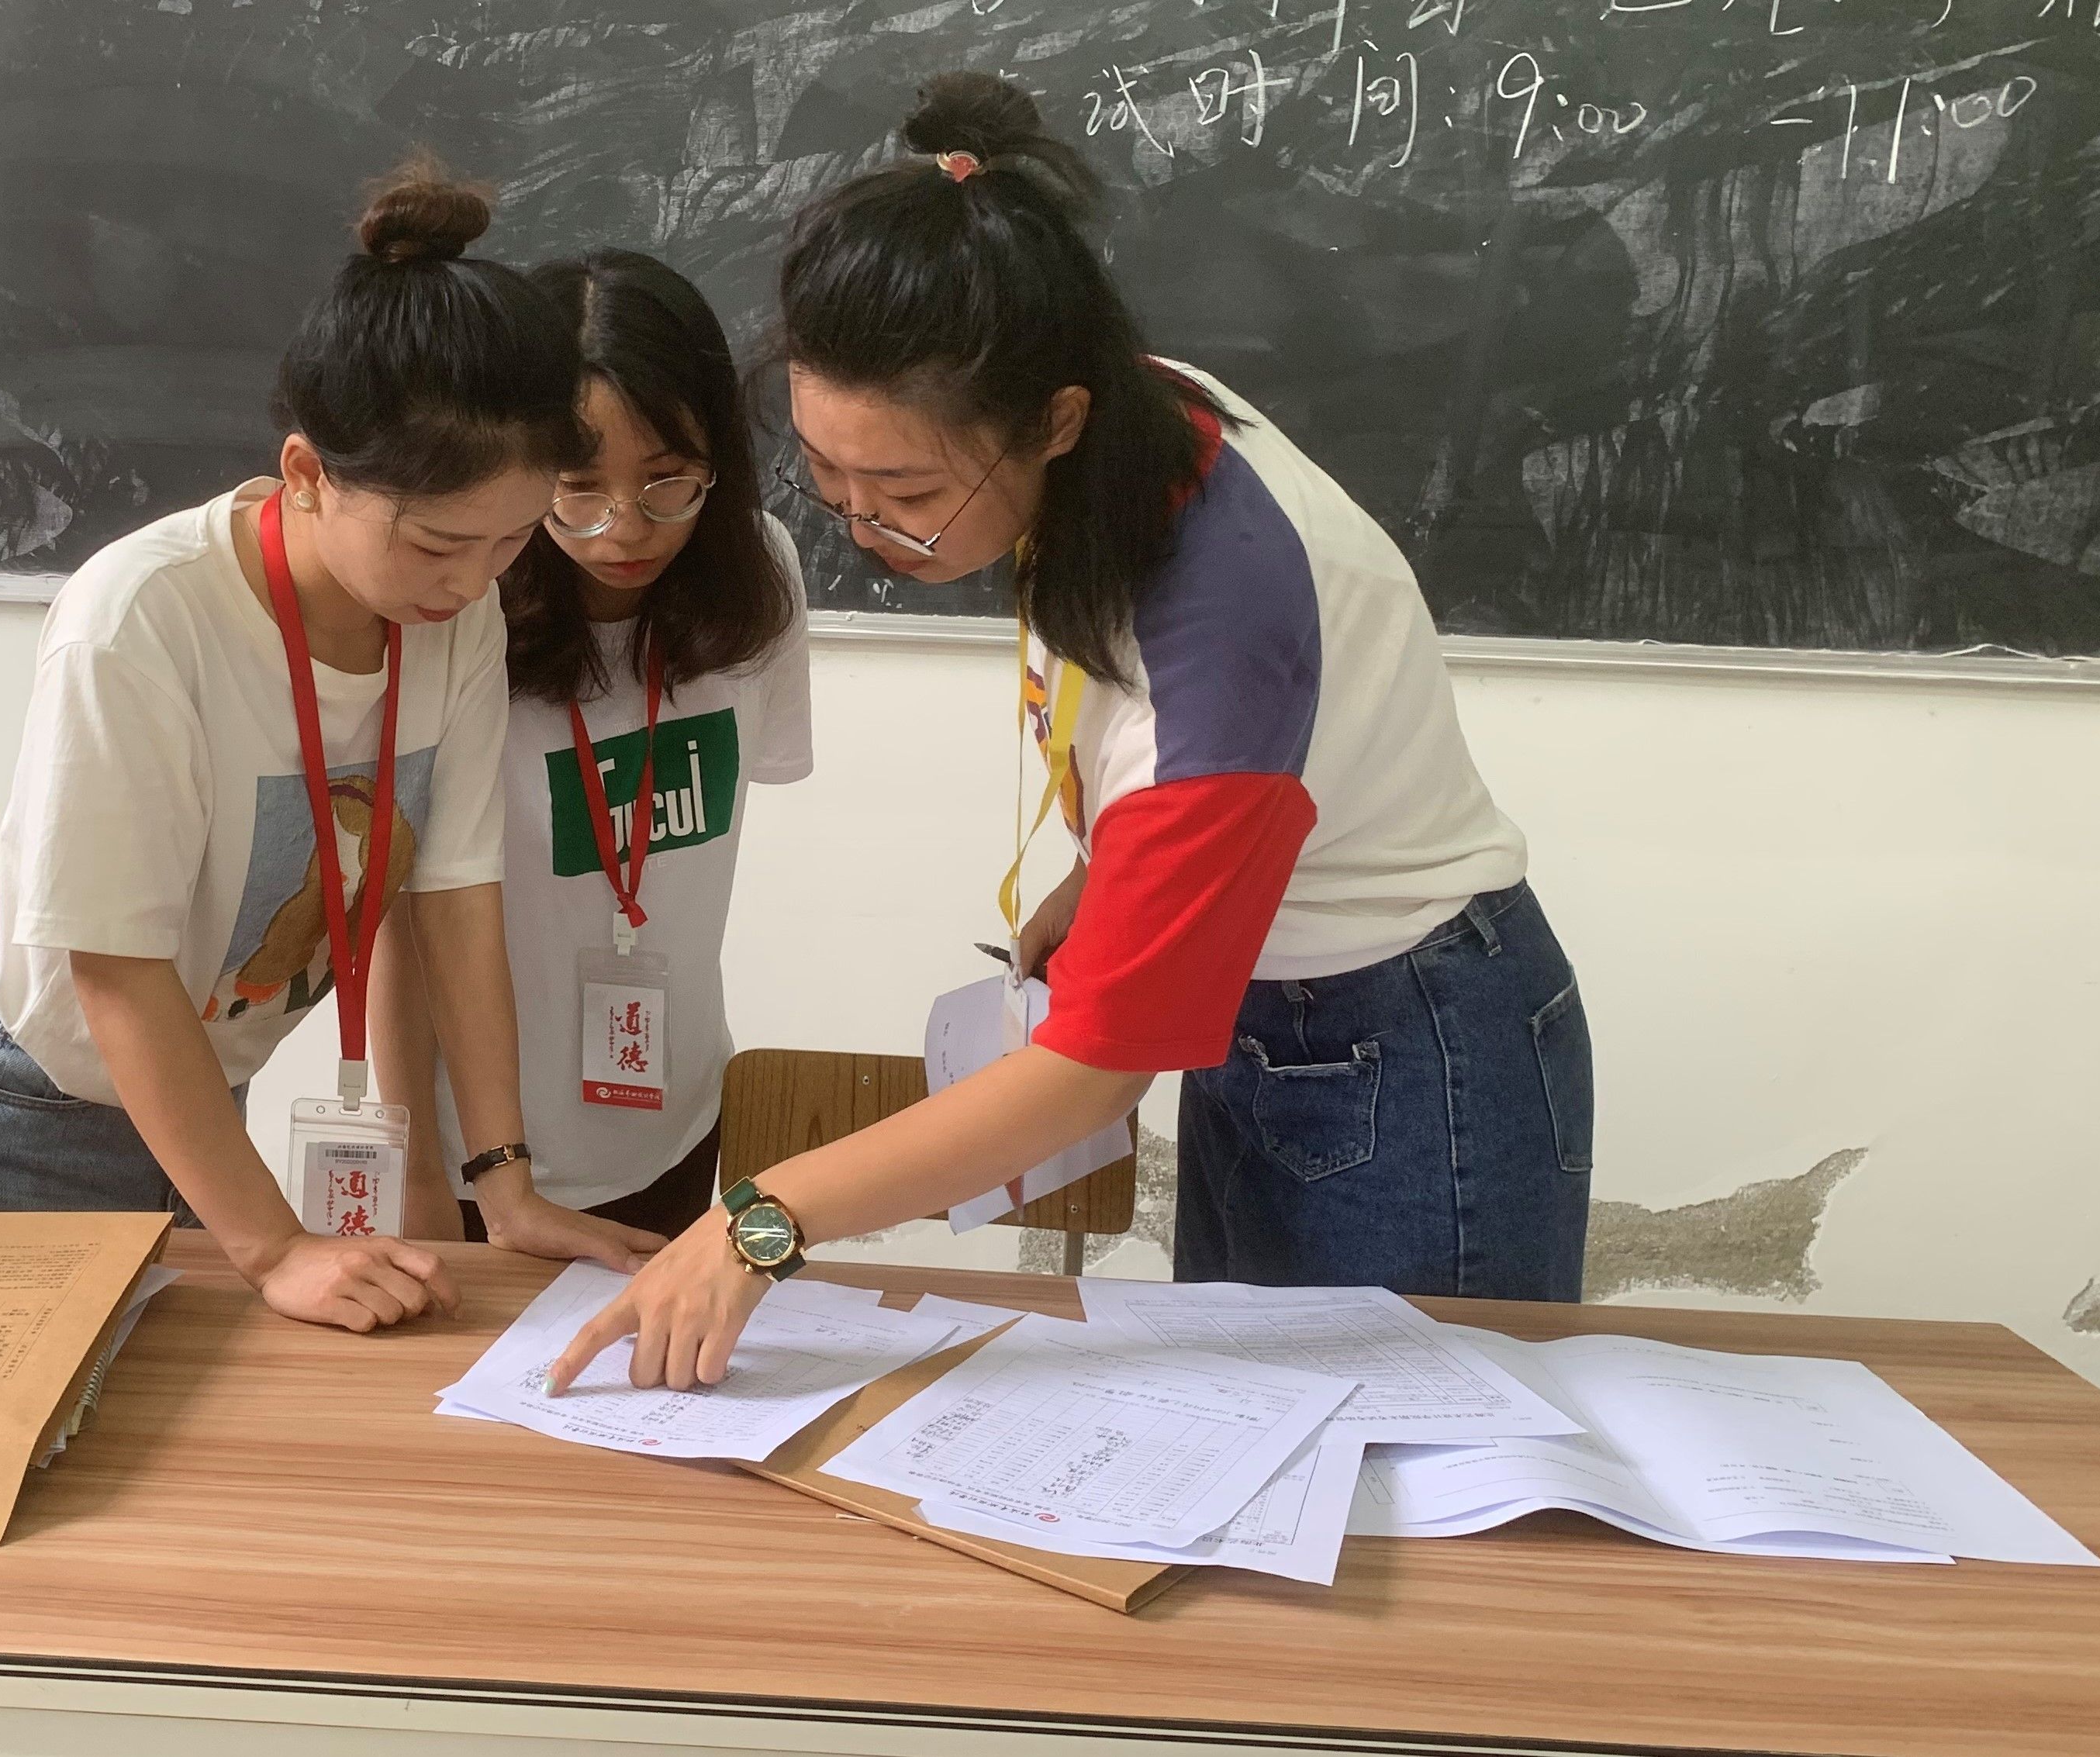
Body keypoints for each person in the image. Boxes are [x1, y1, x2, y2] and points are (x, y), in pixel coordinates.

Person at [554, 74, 1594, 1393]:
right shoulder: (1122, 423)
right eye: (826, 475)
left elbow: (1092, 1074)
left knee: (1414, 1449)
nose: (866, 528)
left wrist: (757, 1224)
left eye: (907, 490)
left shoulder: (1221, 631)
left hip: (1412, 1041)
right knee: (1249, 1413)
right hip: (1271, 1008)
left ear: (1055, 418)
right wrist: (1110, 873)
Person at [0, 164, 651, 1334]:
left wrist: (503, 1180)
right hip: (18, 1106)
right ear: (306, 474)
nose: (471, 580)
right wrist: (274, 1246)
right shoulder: (143, 618)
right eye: (437, 542)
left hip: (198, 1095)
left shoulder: (461, 613)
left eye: (510, 539)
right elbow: (115, 971)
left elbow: (454, 896)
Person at [369, 249, 813, 1247]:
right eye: (576, 488)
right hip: (479, 1158)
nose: (625, 529)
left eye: (667, 482)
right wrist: (415, 1173)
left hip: (675, 1122)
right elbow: (402, 921)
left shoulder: (761, 581)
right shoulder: (451, 615)